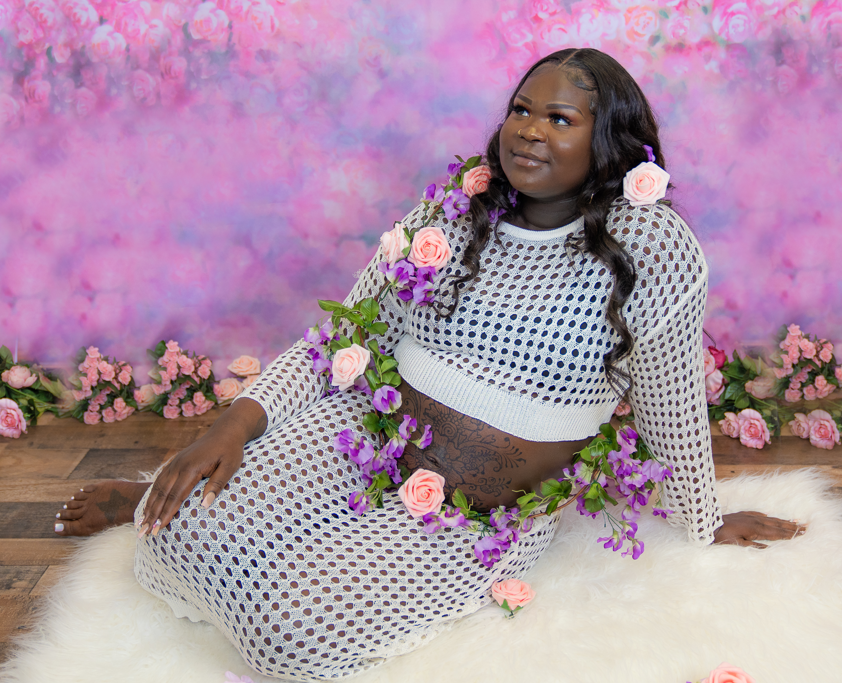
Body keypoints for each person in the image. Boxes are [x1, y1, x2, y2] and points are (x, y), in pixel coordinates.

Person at [55, 48, 803, 680]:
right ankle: (146, 495)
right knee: (178, 528)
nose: (528, 131)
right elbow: (336, 345)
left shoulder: (650, 244)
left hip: (475, 513)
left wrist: (703, 523)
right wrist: (227, 430)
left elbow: (671, 401)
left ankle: (282, 542)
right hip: (366, 438)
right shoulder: (454, 209)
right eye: (520, 109)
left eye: (559, 118)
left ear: (608, 142)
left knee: (290, 631)